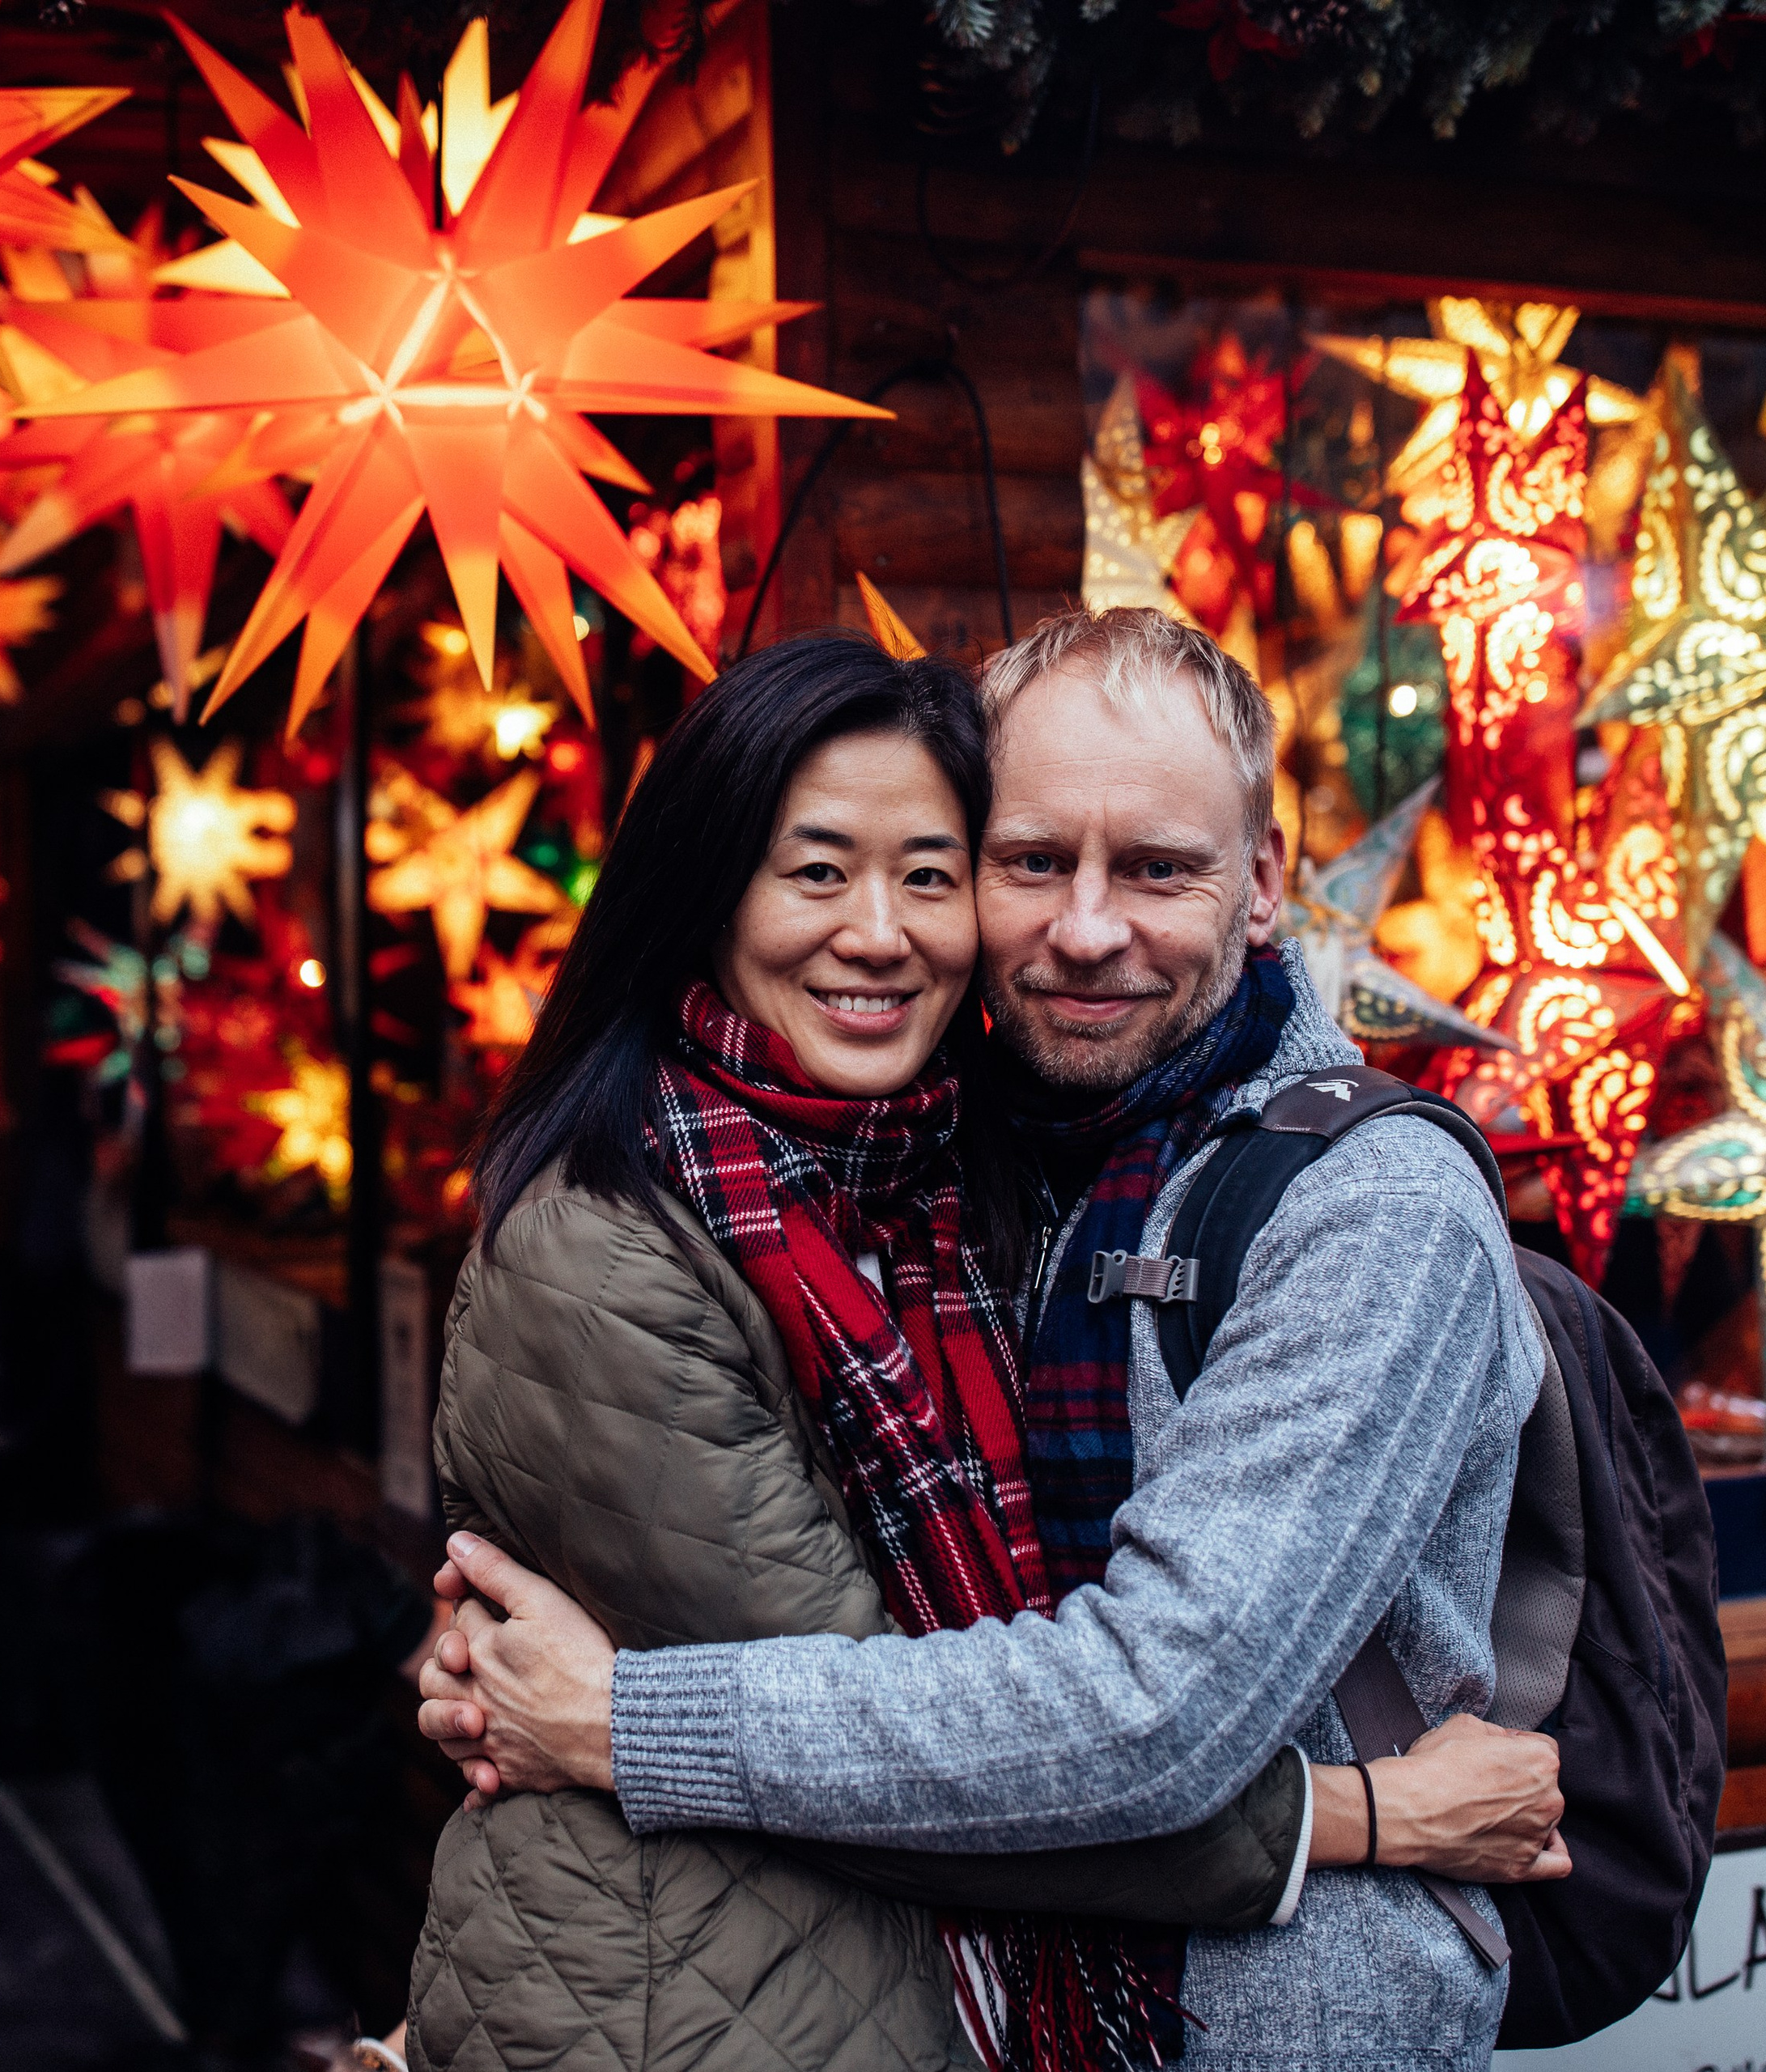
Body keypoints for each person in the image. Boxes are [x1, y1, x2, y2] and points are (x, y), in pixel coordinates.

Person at [411, 626, 1564, 2072]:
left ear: (1265, 881)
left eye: (1159, 867)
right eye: (1030, 862)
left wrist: (621, 1721)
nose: (1087, 929)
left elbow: (1148, 1717)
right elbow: (900, 1701)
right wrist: (1370, 1813)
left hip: (1283, 2025)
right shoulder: (953, 1163)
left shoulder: (1368, 1209)